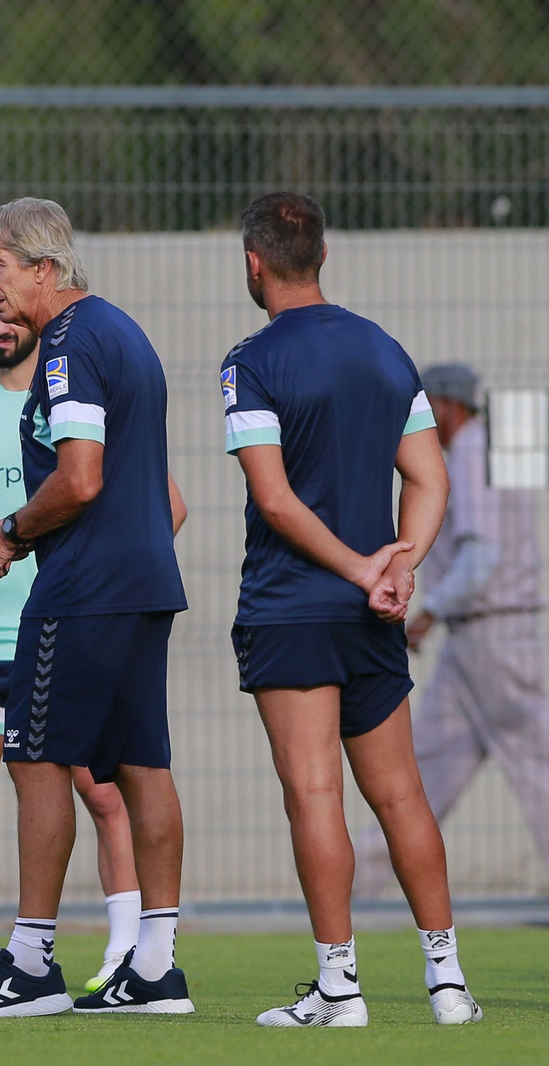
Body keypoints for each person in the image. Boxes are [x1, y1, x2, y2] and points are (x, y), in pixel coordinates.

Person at [220, 192, 481, 1028]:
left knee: (314, 795)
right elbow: (431, 479)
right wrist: (401, 564)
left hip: (290, 608)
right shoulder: (384, 349)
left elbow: (276, 499)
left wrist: (369, 565)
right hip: (371, 615)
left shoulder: (250, 361)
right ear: (323, 256)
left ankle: (340, 989)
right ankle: (448, 984)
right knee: (402, 795)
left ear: (254, 264)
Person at [0, 277, 181, 999]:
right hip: (54, 616)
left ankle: (33, 962)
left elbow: (82, 483)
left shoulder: (72, 349)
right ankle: (149, 966)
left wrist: (15, 533)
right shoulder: (118, 337)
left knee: (50, 769)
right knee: (134, 767)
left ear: (42, 269)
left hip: (72, 605)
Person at [354, 364, 549, 892]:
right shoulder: (487, 450)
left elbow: (480, 557)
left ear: (446, 405)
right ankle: (361, 886)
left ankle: (360, 885)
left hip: (495, 637)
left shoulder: (470, 451)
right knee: (424, 768)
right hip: (477, 639)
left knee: (538, 767)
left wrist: (428, 613)